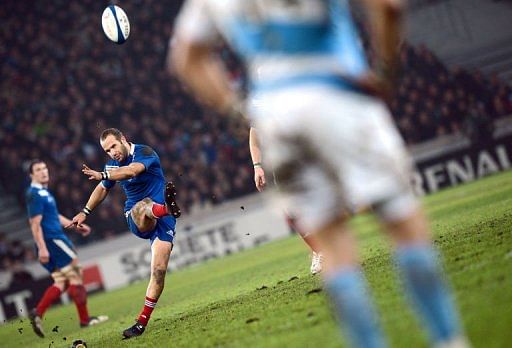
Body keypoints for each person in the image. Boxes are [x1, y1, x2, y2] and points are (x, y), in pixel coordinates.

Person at [170, 1, 469, 347]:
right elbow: (388, 5)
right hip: (340, 97)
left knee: (333, 245)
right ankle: (448, 340)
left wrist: (238, 111)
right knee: (402, 223)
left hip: (277, 118)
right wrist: (387, 71)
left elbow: (186, 56)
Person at [68, 128, 181, 339]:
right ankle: (165, 207)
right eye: (107, 150)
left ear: (123, 140)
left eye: (113, 146)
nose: (112, 152)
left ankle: (140, 324)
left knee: (158, 271)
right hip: (137, 216)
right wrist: (85, 211)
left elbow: (131, 171)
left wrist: (103, 174)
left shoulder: (145, 152)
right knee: (145, 205)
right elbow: (103, 188)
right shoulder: (111, 166)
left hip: (164, 220)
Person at [26, 159, 108, 338]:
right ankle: (85, 320)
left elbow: (53, 215)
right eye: (38, 170)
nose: (43, 172)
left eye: (45, 168)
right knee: (76, 272)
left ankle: (38, 313)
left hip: (53, 239)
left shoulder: (43, 192)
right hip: (53, 240)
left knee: (61, 281)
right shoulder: (34, 194)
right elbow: (34, 224)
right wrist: (42, 248)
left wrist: (74, 224)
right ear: (31, 175)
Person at [249, 126, 323, 274]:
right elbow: (254, 135)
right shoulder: (261, 105)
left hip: (310, 159)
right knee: (291, 213)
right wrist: (257, 167)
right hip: (281, 166)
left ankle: (330, 249)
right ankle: (319, 251)